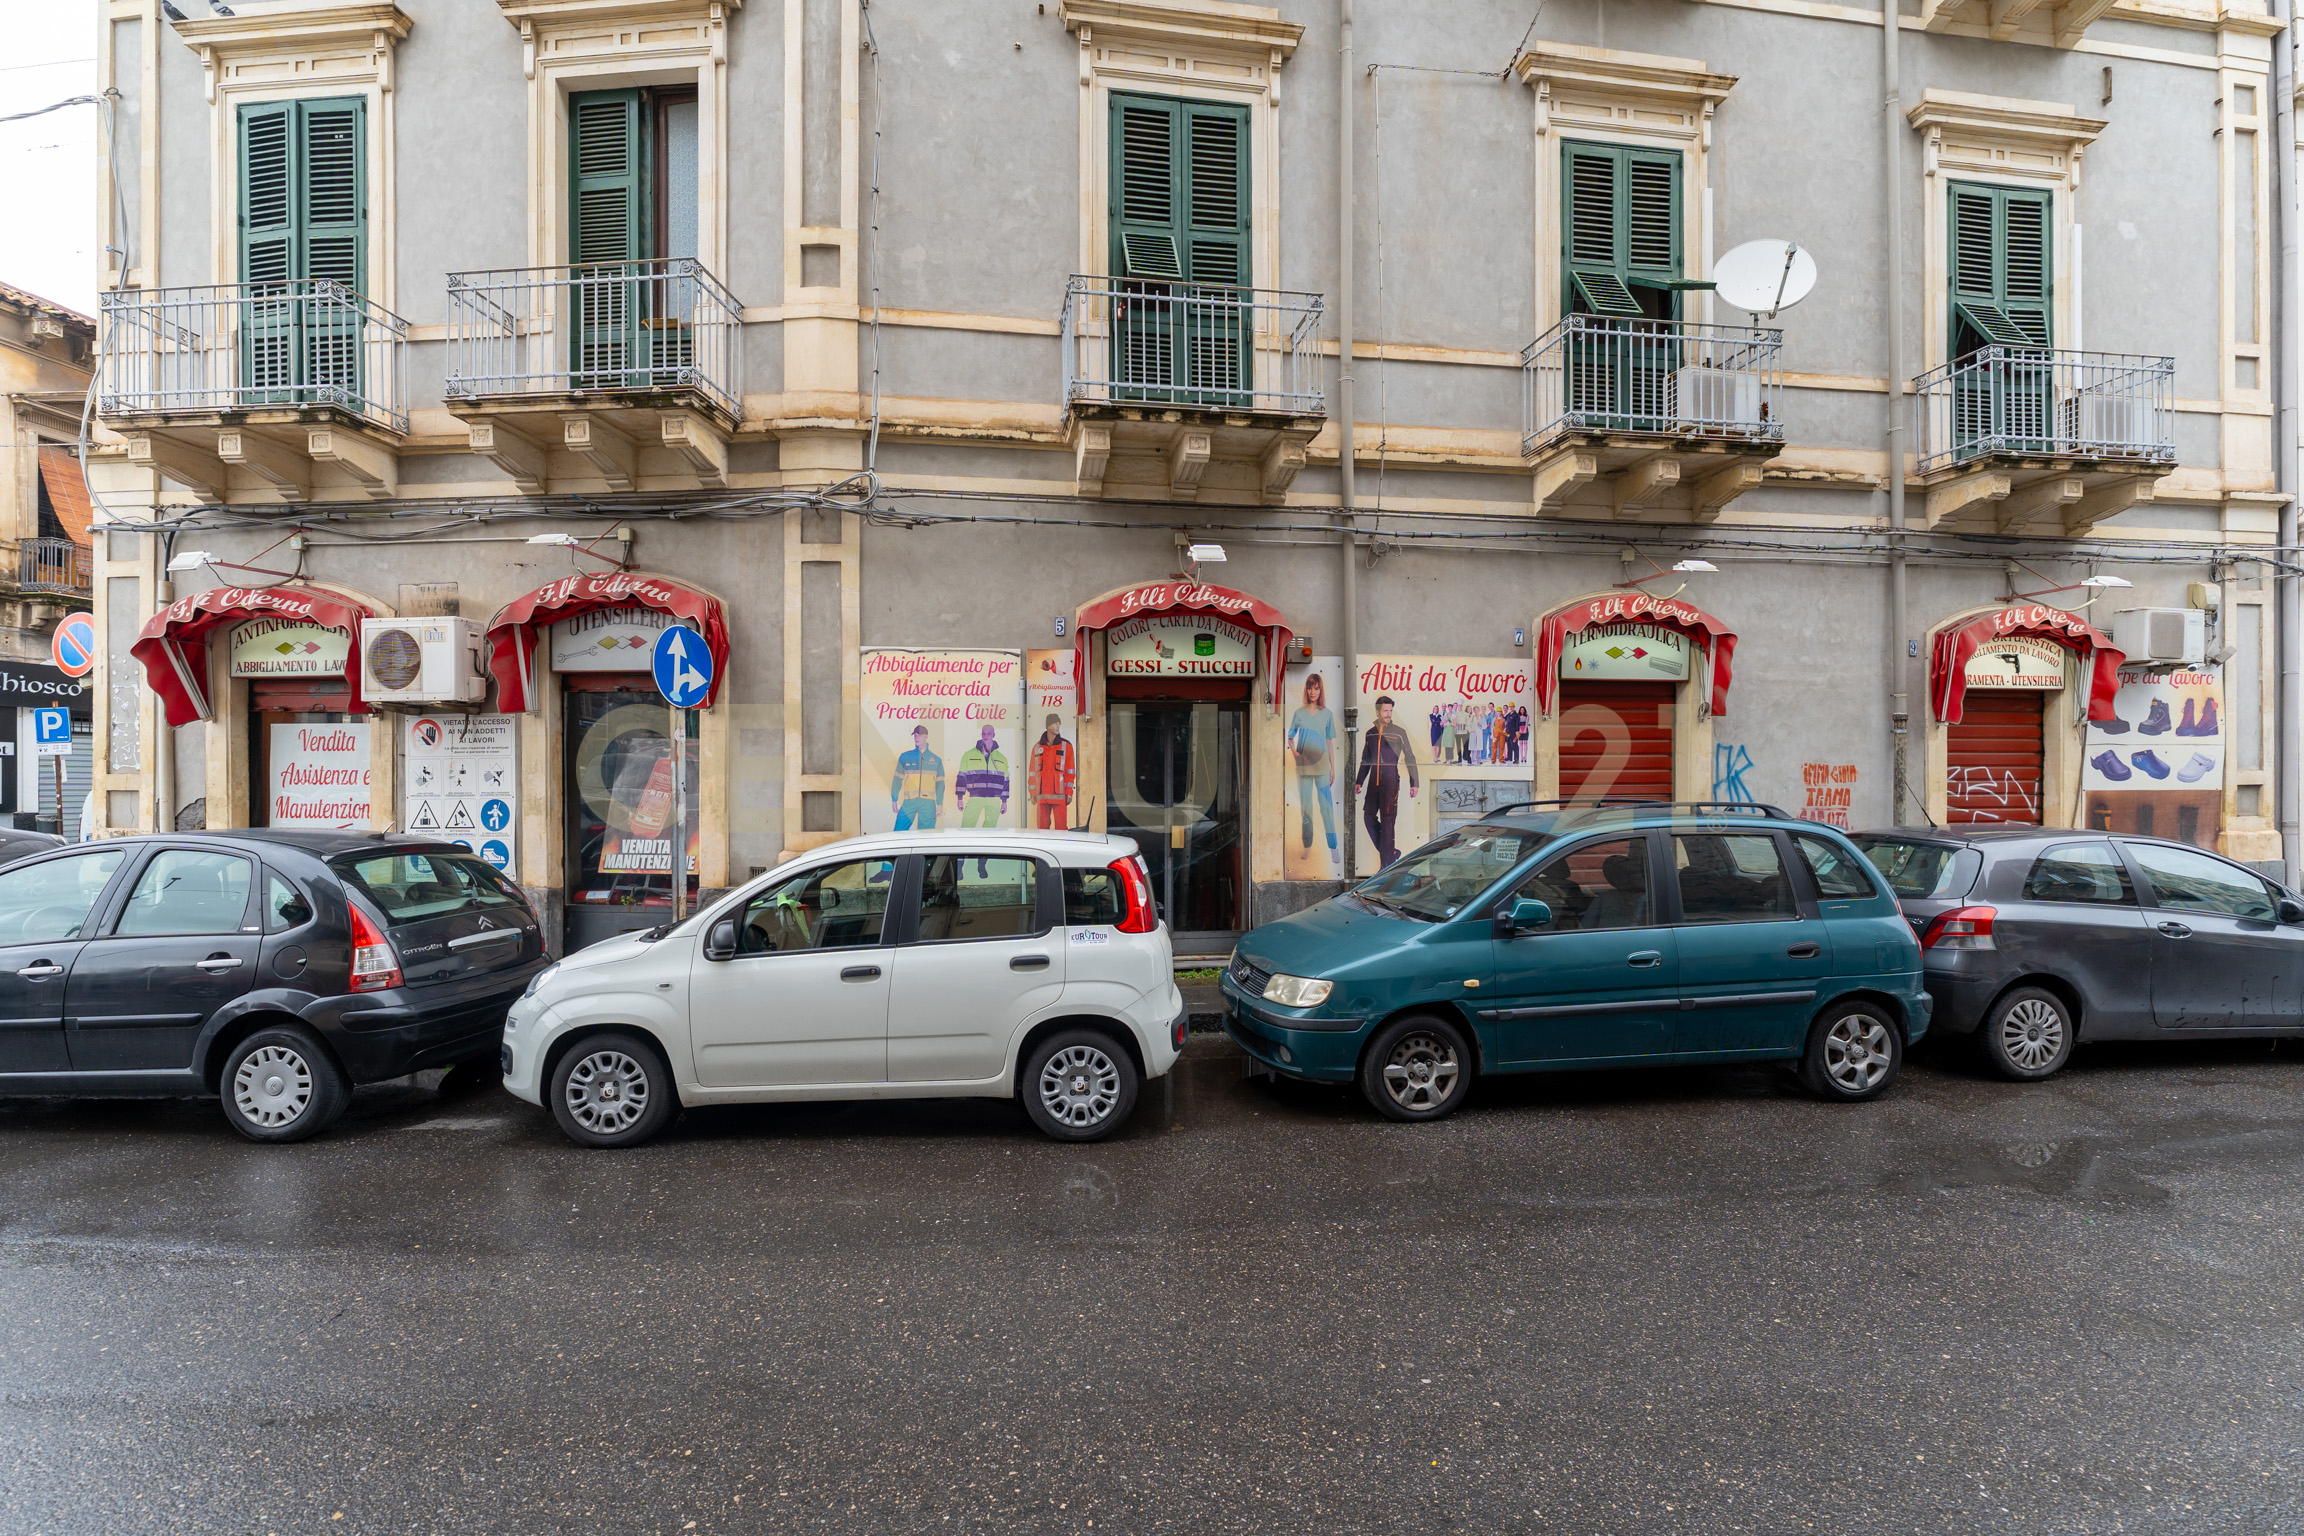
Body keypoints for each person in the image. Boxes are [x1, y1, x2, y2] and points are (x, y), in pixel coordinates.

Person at [1354, 694, 1420, 868]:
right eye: (1385, 711)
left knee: (1388, 823)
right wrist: (1359, 781)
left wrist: (1414, 782)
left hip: (1390, 782)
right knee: (1368, 817)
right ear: (1377, 712)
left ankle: (1386, 867)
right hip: (1373, 784)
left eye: (1390, 710)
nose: (1389, 714)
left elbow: (1410, 756)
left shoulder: (1399, 732)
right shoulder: (1370, 734)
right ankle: (1390, 854)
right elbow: (1365, 760)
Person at [1287, 673, 1339, 857]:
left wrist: (1333, 768)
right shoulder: (1299, 713)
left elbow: (1329, 742)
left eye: (1316, 688)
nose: (1313, 692)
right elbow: (1290, 737)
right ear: (1306, 689)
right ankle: (1307, 845)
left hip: (1323, 767)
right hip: (1304, 767)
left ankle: (1333, 847)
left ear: (1320, 690)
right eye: (1310, 687)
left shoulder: (1327, 714)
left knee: (1326, 808)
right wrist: (1295, 754)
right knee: (1306, 808)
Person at [891, 725, 944, 830]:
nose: (917, 738)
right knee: (898, 832)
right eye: (915, 736)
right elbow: (897, 779)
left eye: (920, 735)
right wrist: (894, 799)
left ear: (926, 736)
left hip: (928, 803)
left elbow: (940, 784)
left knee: (926, 835)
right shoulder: (905, 757)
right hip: (909, 802)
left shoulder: (936, 760)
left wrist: (940, 804)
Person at [1027, 713, 1076, 830]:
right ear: (1048, 726)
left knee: (1061, 828)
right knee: (1042, 829)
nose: (1058, 726)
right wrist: (1032, 793)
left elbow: (1070, 772)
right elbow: (1032, 773)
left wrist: (1069, 792)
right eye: (1055, 723)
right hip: (1042, 796)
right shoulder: (1037, 747)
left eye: (1059, 724)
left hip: (1060, 795)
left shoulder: (1066, 746)